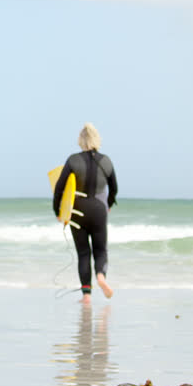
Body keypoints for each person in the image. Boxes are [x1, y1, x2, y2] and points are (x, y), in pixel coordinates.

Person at [53, 122, 118, 303]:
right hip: (98, 210)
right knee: (100, 250)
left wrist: (58, 211)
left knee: (83, 253)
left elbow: (60, 188)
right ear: (98, 139)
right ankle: (101, 277)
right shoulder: (106, 161)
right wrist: (109, 204)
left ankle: (87, 295)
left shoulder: (73, 159)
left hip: (77, 210)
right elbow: (114, 188)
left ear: (80, 140)